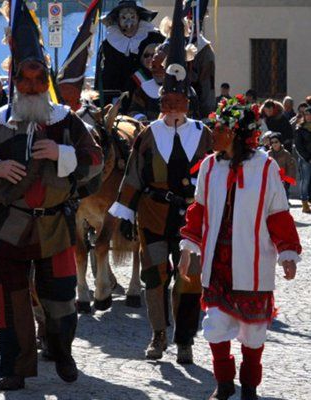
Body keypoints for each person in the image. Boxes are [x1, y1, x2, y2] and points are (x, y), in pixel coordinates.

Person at [0, 1, 103, 390]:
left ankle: (62, 351)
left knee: (60, 300)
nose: (33, 87)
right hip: (8, 226)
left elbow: (96, 161)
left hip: (55, 225)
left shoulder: (66, 121)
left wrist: (63, 154)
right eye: (26, 80)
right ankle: (15, 367)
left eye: (40, 80)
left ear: (47, 82)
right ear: (15, 82)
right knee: (10, 300)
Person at [109, 0, 213, 365]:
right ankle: (157, 335)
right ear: (160, 103)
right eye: (166, 101)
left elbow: (214, 180)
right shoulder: (149, 134)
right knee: (155, 278)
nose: (171, 107)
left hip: (191, 221)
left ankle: (184, 341)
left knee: (187, 282)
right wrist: (124, 214)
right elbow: (133, 173)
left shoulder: (204, 137)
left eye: (178, 101)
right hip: (152, 214)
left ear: (188, 101)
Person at [178, 97, 301, 400]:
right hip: (217, 262)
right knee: (216, 324)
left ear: (234, 132)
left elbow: (278, 213)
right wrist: (188, 247)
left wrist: (287, 252)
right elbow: (199, 210)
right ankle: (223, 384)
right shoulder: (209, 166)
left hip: (252, 262)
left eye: (218, 128)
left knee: (254, 332)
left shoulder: (266, 167)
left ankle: (249, 387)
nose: (213, 133)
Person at [95, 0, 164, 105]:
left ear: (138, 17)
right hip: (117, 99)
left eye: (132, 17)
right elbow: (103, 76)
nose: (129, 22)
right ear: (117, 20)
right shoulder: (108, 45)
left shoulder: (154, 38)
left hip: (148, 97)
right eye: (124, 17)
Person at [185, 0, 216, 119]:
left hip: (194, 110)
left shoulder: (204, 50)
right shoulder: (175, 42)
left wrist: (206, 115)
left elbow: (207, 86)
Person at [127, 42, 164, 122]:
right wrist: (140, 117)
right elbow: (132, 110)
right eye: (146, 55)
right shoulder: (137, 80)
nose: (150, 58)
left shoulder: (180, 84)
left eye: (153, 55)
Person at [266, 131, 296, 199]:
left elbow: (291, 167)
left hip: (283, 180)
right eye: (272, 142)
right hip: (271, 180)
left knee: (284, 196)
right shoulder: (267, 154)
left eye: (276, 142)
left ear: (280, 142)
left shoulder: (286, 154)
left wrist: (287, 180)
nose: (274, 144)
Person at [294, 104, 311, 213]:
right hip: (305, 159)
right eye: (306, 114)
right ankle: (304, 202)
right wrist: (308, 158)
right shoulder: (300, 128)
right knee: (305, 180)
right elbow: (299, 147)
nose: (308, 116)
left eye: (310, 114)